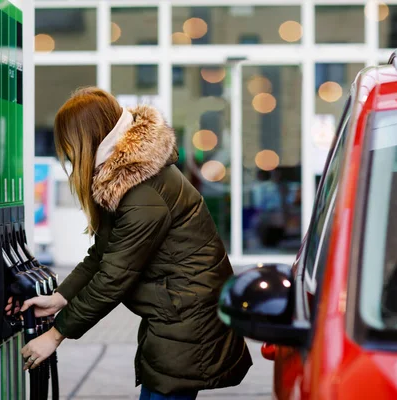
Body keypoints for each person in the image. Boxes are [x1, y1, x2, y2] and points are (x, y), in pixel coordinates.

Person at [20, 87, 252, 399]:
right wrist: (60, 297)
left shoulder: (142, 194)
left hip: (186, 319)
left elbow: (114, 277)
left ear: (87, 139)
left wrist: (56, 335)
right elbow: (102, 255)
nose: (71, 155)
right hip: (177, 310)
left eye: (70, 146)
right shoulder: (128, 178)